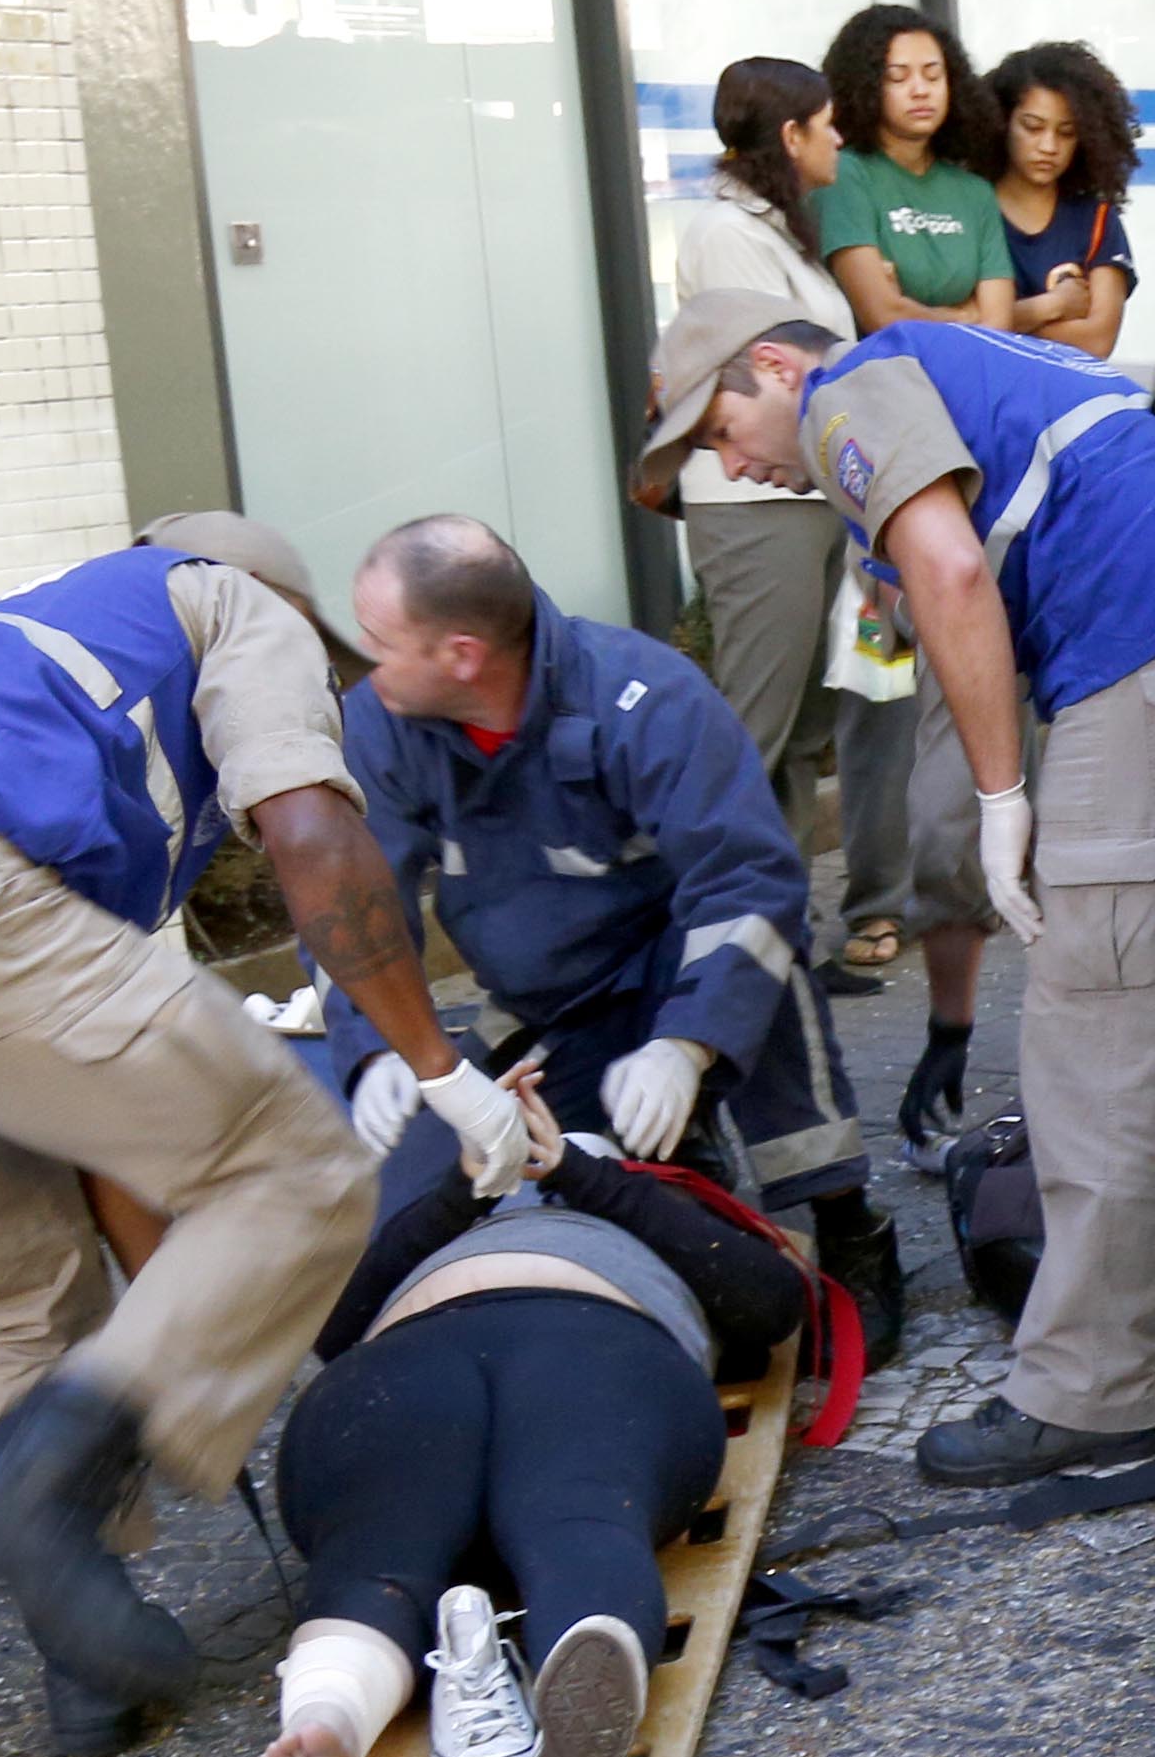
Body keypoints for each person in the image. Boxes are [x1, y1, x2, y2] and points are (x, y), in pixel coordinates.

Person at [0, 513, 532, 1756]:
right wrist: (437, 1064)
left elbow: (96, 1134)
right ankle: (39, 1494)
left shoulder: (10, 651)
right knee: (294, 1163)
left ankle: (85, 1666)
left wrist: (179, 1308)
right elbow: (312, 836)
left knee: (17, 1264)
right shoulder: (228, 604)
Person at [642, 289, 1155, 1489]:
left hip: (1154, 661)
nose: (737, 468)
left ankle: (1086, 1394)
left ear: (771, 367)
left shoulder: (852, 388)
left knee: (1093, 1039)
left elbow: (954, 575)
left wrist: (1005, 796)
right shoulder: (967, 358)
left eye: (717, 431)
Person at [328, 515, 903, 1352]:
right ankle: (681, 1181)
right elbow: (351, 901)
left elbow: (750, 879)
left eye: (378, 641)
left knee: (761, 962)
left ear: (461, 656)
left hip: (683, 973)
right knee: (547, 1162)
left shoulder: (644, 697)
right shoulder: (380, 722)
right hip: (553, 998)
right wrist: (379, 1046)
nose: (360, 659)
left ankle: (846, 1221)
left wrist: (689, 1045)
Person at [254, 1108, 814, 1757]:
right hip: (479, 1357)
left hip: (539, 1349)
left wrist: (584, 1176)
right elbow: (332, 1326)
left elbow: (770, 1300)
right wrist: (468, 1187)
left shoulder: (645, 1202)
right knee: (574, 1523)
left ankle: (329, 1717)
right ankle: (337, 1724)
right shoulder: (455, 1214)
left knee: (387, 1557)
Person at [663, 55, 923, 986]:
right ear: (791, 135)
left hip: (811, 499)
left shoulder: (782, 229)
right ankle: (747, 947)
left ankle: (786, 941)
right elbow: (782, 370)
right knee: (761, 731)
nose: (842, 140)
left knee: (808, 725)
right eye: (828, 124)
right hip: (755, 507)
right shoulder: (728, 234)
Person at [818, 2, 1017, 342]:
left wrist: (913, 310)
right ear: (864, 86)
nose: (920, 90)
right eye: (897, 77)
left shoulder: (974, 191)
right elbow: (882, 316)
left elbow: (998, 327)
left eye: (933, 75)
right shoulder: (842, 175)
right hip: (882, 379)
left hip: (965, 380)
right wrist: (965, 315)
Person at [980, 41, 1144, 360]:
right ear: (1001, 122)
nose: (1049, 146)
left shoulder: (1096, 218)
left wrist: (1007, 321)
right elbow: (957, 327)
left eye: (1066, 132)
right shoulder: (969, 206)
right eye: (1032, 127)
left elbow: (1098, 342)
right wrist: (1054, 305)